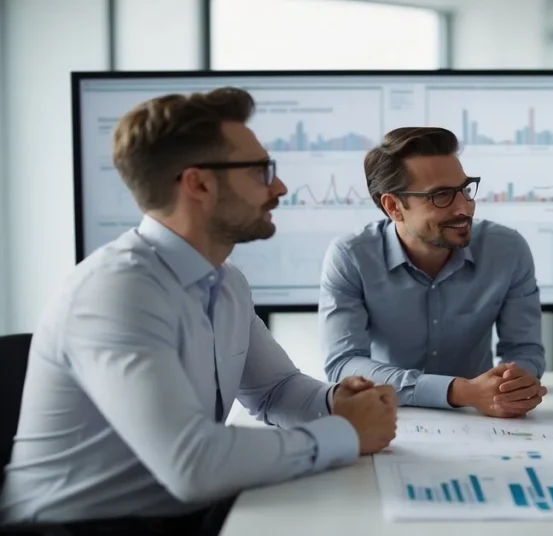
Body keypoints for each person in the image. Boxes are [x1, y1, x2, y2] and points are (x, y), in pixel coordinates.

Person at [0, 87, 398, 535]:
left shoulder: (225, 281)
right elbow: (192, 464)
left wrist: (336, 401)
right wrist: (346, 434)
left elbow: (274, 390)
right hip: (75, 528)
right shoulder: (117, 290)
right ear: (200, 184)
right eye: (260, 172)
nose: (280, 187)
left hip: (179, 514)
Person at [318, 126, 547, 418]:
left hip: (483, 418)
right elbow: (343, 364)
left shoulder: (507, 250)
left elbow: (524, 348)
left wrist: (514, 384)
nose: (464, 208)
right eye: (441, 196)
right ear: (394, 207)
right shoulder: (351, 257)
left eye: (464, 189)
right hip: (391, 416)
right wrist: (460, 391)